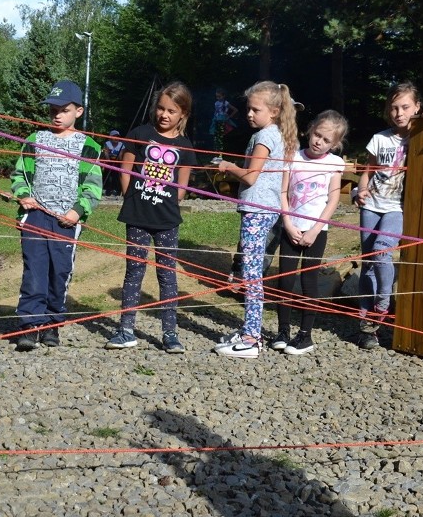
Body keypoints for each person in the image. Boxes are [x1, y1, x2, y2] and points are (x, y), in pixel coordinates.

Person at [10, 79, 102, 351]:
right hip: (36, 217)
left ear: (79, 112)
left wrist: (78, 211)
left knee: (59, 273)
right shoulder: (34, 140)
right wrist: (23, 194)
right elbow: (19, 175)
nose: (57, 115)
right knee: (34, 273)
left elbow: (93, 186)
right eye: (53, 110)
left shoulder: (90, 146)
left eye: (64, 109)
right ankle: (29, 326)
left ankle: (52, 325)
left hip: (66, 221)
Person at [105, 81, 197, 353]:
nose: (164, 115)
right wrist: (130, 196)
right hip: (137, 215)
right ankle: (126, 330)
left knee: (167, 276)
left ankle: (170, 333)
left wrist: (170, 201)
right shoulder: (140, 133)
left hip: (167, 220)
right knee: (134, 272)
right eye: (160, 108)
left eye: (171, 110)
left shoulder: (184, 145)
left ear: (182, 114)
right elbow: (126, 168)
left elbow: (182, 184)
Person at [213, 81, 299, 358]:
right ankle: (251, 331)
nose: (249, 114)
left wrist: (228, 166)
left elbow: (251, 176)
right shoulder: (280, 134)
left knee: (251, 275)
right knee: (253, 273)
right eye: (248, 109)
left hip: (257, 210)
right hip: (267, 209)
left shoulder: (264, 137)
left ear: (273, 111)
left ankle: (251, 338)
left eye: (255, 109)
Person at [271, 110, 348, 355]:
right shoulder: (292, 157)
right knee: (285, 278)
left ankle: (305, 335)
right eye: (317, 135)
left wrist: (315, 229)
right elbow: (282, 193)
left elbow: (333, 198)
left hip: (316, 230)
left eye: (326, 140)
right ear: (310, 129)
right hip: (291, 227)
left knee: (309, 281)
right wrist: (288, 224)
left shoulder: (334, 163)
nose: (318, 142)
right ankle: (283, 331)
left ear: (335, 144)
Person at [354, 82, 421, 350]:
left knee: (383, 251)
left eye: (405, 107)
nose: (399, 113)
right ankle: (365, 327)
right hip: (371, 205)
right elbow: (367, 171)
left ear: (417, 107)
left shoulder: (421, 136)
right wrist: (360, 190)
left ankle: (383, 303)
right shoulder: (379, 138)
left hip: (397, 208)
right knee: (368, 261)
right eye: (394, 107)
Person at [101, 129, 124, 196]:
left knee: (116, 176)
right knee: (108, 175)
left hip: (117, 162)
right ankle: (106, 189)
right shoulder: (107, 143)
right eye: (114, 136)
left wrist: (119, 163)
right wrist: (109, 161)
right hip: (109, 161)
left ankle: (116, 190)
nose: (116, 138)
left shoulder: (121, 144)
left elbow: (120, 155)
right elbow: (106, 153)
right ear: (110, 137)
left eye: (117, 136)